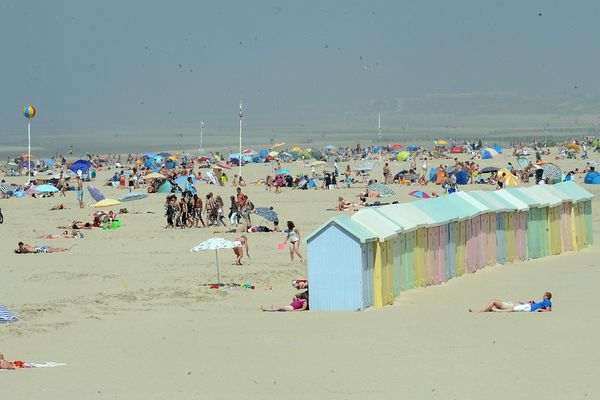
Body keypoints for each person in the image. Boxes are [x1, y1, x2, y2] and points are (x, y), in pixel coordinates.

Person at [472, 292, 552, 313]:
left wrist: (540, 310)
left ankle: (479, 312)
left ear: (546, 297)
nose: (543, 296)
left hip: (521, 306)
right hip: (521, 305)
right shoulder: (545, 302)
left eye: (544, 295)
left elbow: (548, 310)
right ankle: (490, 310)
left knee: (493, 301)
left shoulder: (547, 301)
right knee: (494, 301)